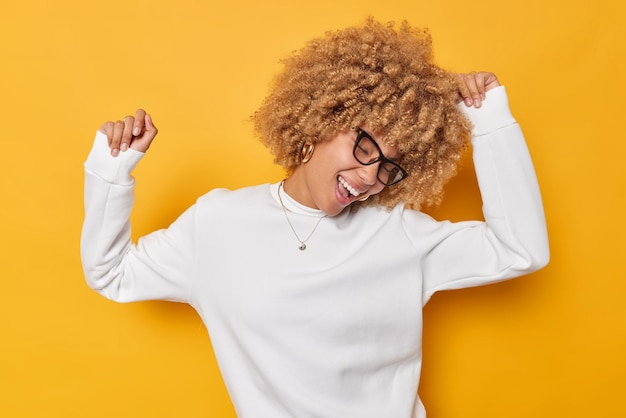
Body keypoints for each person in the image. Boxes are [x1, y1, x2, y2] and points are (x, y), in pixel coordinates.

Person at [81, 18, 549, 418]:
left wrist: (491, 123)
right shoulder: (219, 224)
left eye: (389, 166)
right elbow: (111, 274)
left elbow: (521, 251)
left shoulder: (399, 233)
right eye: (364, 146)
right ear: (321, 121)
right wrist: (111, 169)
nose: (370, 177)